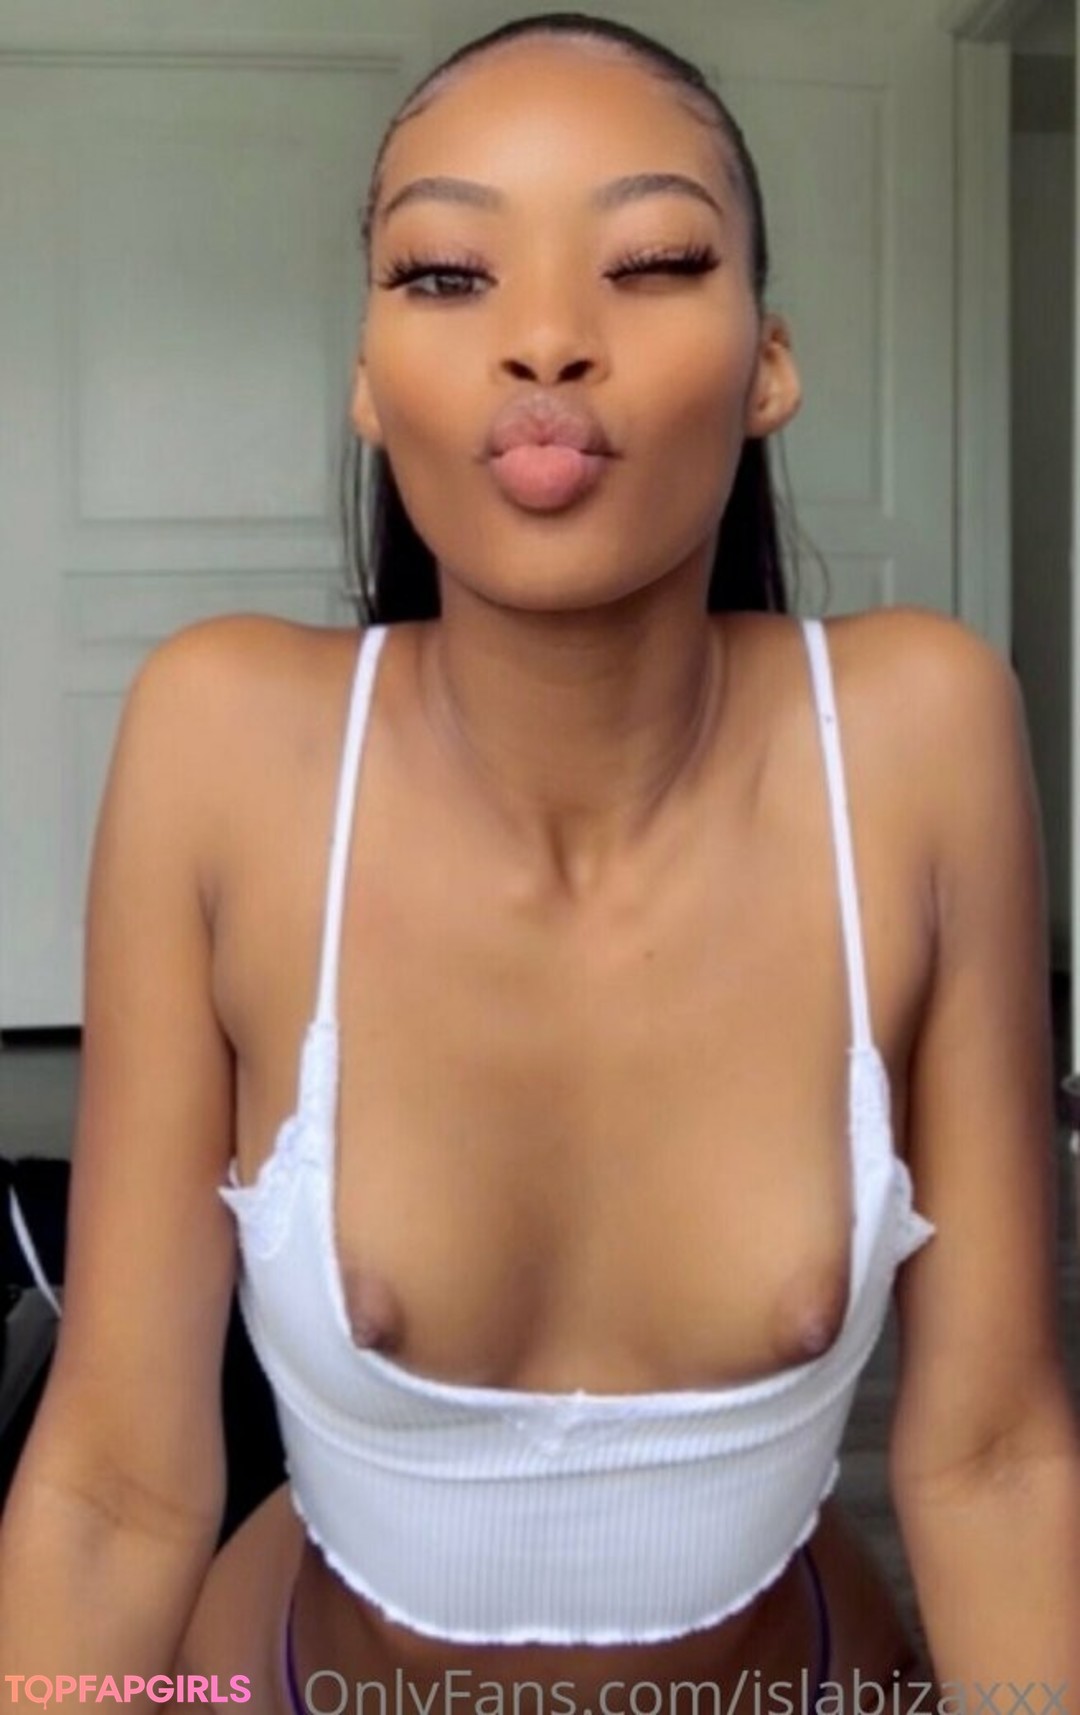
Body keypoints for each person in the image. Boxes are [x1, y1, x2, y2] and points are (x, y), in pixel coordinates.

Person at [1, 12, 1078, 1713]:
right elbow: (116, 1488)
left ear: (769, 363)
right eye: (447, 275)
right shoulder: (222, 742)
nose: (549, 339)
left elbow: (999, 1457)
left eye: (652, 262)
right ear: (369, 381)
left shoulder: (919, 736)